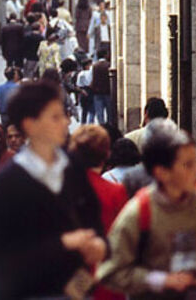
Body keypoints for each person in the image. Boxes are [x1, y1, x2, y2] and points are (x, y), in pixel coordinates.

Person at [0, 81, 106, 298]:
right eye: (55, 117)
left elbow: (93, 220)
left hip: (75, 289)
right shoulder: (10, 182)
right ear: (30, 125)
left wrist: (98, 244)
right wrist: (62, 244)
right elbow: (3, 256)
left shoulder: (73, 167)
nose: (66, 122)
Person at [97, 119, 196, 299]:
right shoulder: (140, 211)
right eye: (188, 165)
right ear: (162, 172)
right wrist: (159, 281)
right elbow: (110, 271)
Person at [68, 125, 128, 300]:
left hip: (72, 277)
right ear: (107, 154)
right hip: (107, 274)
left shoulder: (64, 190)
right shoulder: (116, 192)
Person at [91, 48, 112, 124]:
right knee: (109, 111)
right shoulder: (108, 65)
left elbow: (93, 79)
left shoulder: (95, 66)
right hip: (107, 91)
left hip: (97, 92)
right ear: (105, 55)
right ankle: (109, 126)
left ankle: (101, 125)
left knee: (99, 112)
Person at [77, 58, 95, 124]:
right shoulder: (90, 73)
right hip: (90, 91)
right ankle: (90, 124)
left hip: (82, 91)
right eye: (90, 64)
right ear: (86, 66)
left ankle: (83, 124)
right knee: (92, 110)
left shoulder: (80, 74)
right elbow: (91, 83)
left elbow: (78, 85)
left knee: (84, 111)